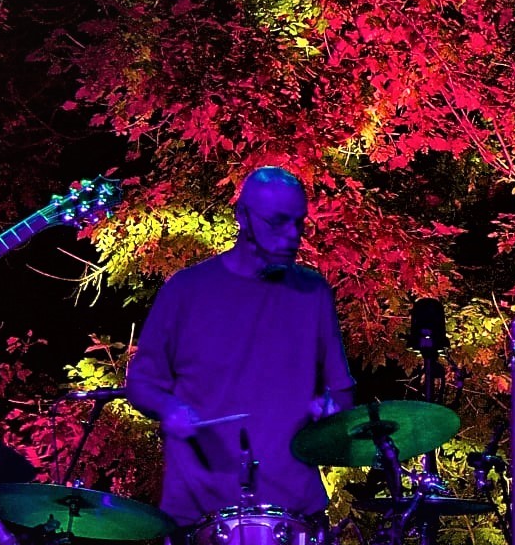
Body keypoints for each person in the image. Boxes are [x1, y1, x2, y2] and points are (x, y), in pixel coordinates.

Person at [127, 166, 355, 526]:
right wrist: (168, 407)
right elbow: (141, 384)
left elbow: (343, 393)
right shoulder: (186, 290)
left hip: (294, 507)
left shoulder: (313, 292)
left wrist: (331, 408)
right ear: (243, 217)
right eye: (278, 222)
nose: (292, 235)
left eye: (299, 223)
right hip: (201, 508)